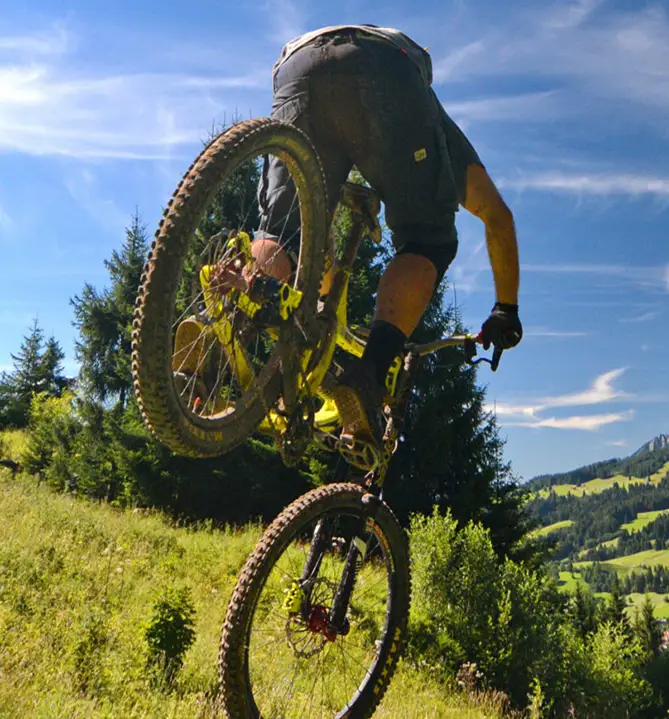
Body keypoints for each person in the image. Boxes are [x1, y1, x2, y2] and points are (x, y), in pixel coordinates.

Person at [184, 24, 523, 463]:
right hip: (387, 69)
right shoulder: (425, 104)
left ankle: (214, 332)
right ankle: (369, 375)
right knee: (428, 238)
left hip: (296, 68)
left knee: (285, 230)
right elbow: (497, 215)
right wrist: (505, 310)